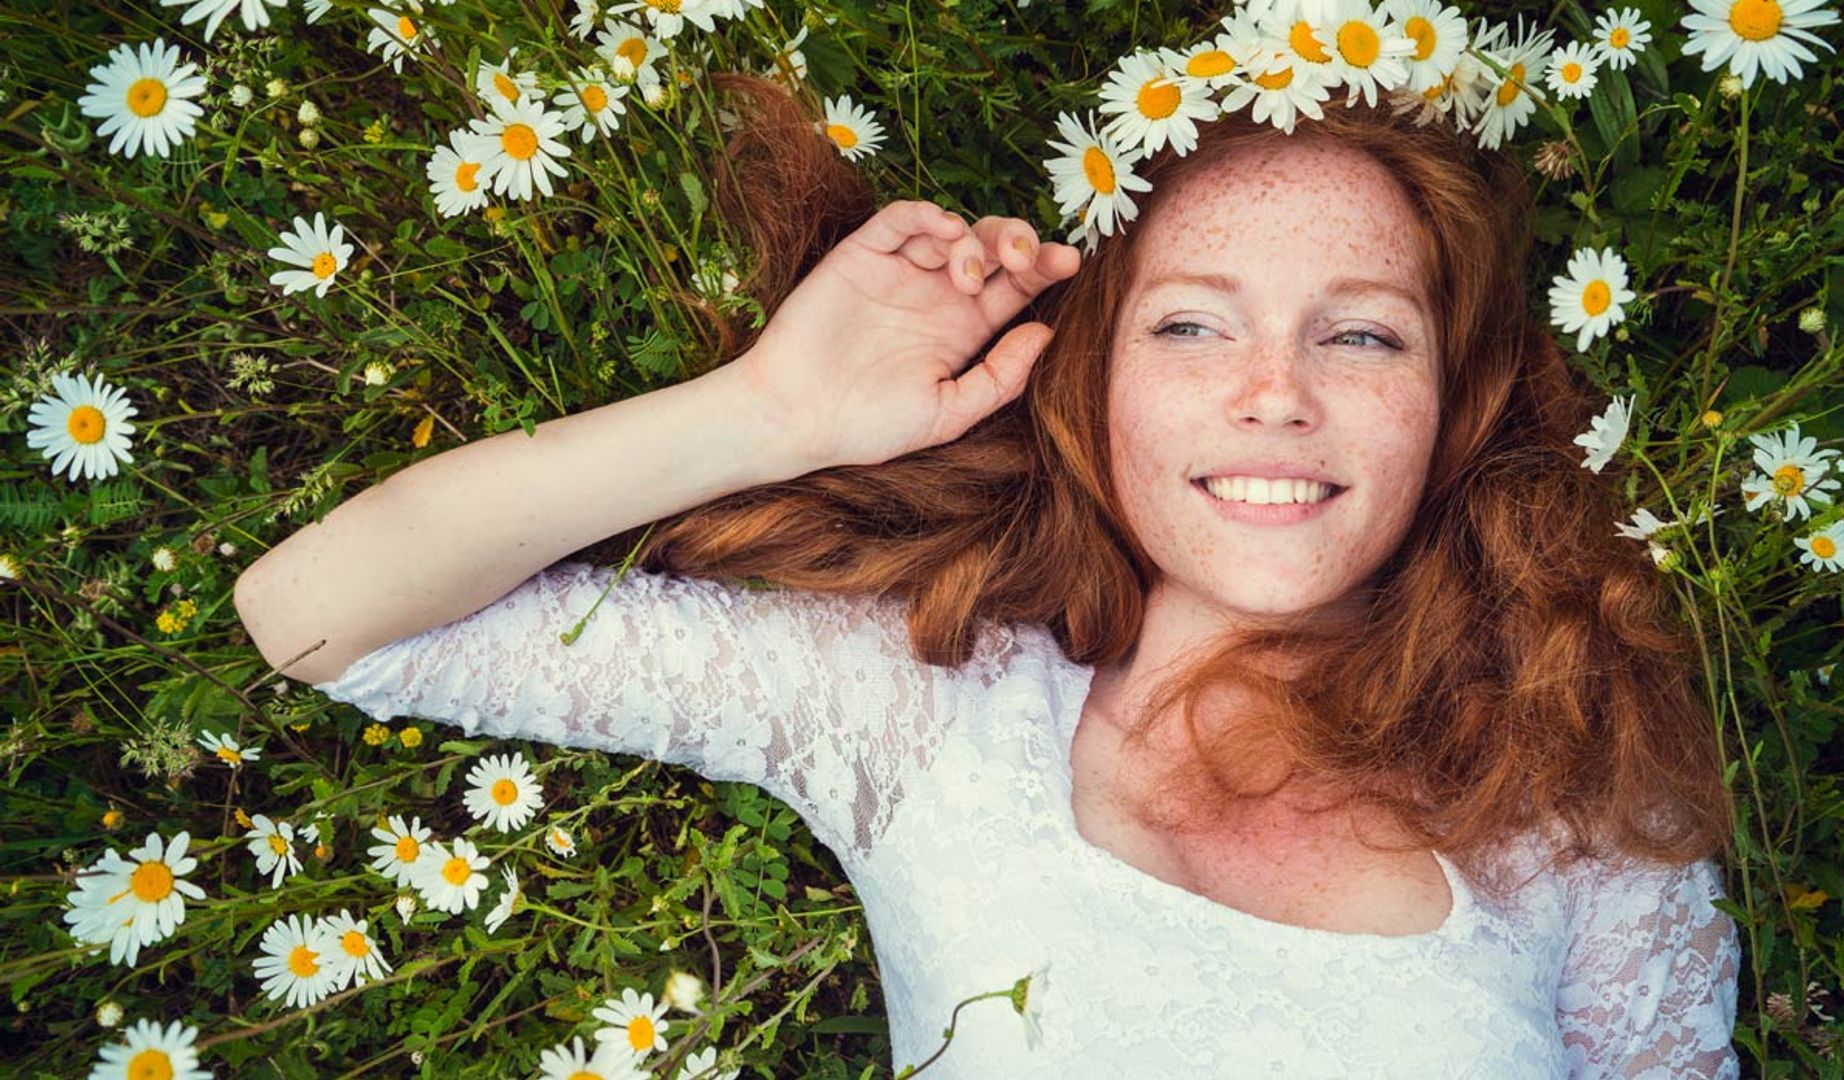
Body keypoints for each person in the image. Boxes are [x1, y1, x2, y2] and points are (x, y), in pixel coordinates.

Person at [234, 68, 1741, 1077]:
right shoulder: (926, 712)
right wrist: (772, 411)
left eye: (1361, 334)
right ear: (1089, 391)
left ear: (1451, 408)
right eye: (1193, 326)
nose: (1275, 393)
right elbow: (320, 617)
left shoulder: (1585, 811)